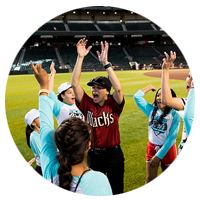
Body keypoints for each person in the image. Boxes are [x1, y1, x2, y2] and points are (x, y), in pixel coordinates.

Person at [30, 61, 113, 196]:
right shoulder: (99, 180)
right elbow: (50, 99)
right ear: (88, 145)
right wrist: (49, 80)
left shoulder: (49, 168)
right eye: (69, 92)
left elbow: (45, 128)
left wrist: (42, 87)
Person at [71, 38, 125, 196]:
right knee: (95, 192)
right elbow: (75, 84)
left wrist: (106, 64)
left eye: (99, 87)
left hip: (114, 155)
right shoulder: (87, 103)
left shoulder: (113, 104)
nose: (94, 90)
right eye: (93, 87)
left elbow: (119, 89)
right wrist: (80, 57)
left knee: (117, 191)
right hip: (94, 156)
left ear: (107, 92)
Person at [134, 84, 180, 196]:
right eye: (158, 95)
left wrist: (158, 156)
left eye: (163, 95)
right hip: (152, 148)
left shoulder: (174, 115)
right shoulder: (151, 110)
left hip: (167, 150)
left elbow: (171, 139)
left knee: (166, 179)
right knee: (149, 180)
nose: (159, 98)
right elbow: (137, 97)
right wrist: (149, 87)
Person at [161, 52, 193, 196]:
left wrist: (193, 89)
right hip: (179, 184)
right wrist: (165, 70)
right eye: (189, 76)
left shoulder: (190, 109)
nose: (190, 79)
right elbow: (167, 100)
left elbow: (188, 117)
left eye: (194, 78)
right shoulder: (188, 103)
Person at [48, 61, 84, 126]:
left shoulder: (79, 105)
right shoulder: (59, 107)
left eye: (74, 92)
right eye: (70, 93)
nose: (73, 94)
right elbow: (49, 91)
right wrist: (52, 73)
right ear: (62, 96)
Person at [24, 109, 47, 195]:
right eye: (39, 117)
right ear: (33, 123)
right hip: (43, 170)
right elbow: (44, 156)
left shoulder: (43, 132)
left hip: (49, 168)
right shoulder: (34, 137)